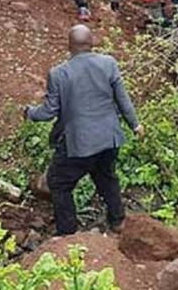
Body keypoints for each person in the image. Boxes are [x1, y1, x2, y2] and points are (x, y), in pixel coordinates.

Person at [25, 25, 143, 235]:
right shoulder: (109, 63)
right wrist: (135, 124)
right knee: (106, 176)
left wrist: (29, 112)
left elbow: (48, 112)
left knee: (58, 182)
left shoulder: (59, 73)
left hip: (79, 143)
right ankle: (117, 221)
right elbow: (122, 99)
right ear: (92, 43)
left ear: (69, 46)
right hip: (109, 138)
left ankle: (67, 234)